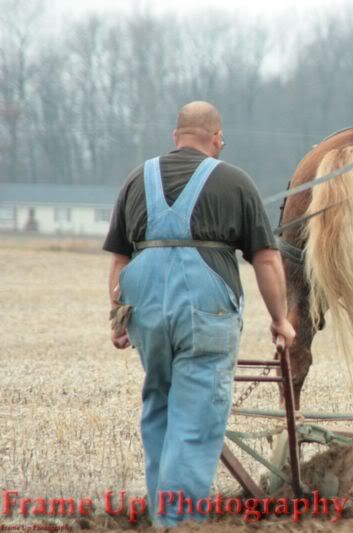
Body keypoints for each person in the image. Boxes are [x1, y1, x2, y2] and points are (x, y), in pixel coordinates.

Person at [103, 101, 295, 527]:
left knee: (160, 404)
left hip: (146, 308)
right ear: (218, 138)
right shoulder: (234, 180)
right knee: (195, 416)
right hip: (204, 308)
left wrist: (117, 316)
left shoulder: (137, 179)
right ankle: (178, 522)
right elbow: (265, 258)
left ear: (176, 137)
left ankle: (162, 514)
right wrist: (280, 320)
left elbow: (119, 258)